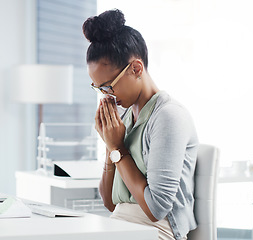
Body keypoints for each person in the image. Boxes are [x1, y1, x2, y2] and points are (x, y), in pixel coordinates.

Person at [82, 9, 198, 240]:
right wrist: (109, 146)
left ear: (136, 69)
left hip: (158, 232)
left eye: (108, 86)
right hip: (119, 228)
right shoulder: (125, 118)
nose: (106, 96)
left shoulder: (167, 116)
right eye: (99, 88)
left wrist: (119, 149)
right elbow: (110, 203)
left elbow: (156, 210)